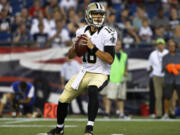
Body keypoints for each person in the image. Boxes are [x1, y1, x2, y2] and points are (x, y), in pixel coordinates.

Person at [45, 2, 117, 135]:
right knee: (62, 99)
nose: (98, 17)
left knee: (93, 89)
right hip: (84, 72)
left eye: (100, 15)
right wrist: (76, 47)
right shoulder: (81, 31)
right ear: (88, 16)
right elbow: (71, 55)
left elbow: (110, 59)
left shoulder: (109, 33)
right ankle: (59, 129)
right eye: (95, 14)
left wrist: (92, 47)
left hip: (100, 73)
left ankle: (89, 128)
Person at [100, 40, 128, 119]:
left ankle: (121, 114)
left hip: (121, 79)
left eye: (119, 44)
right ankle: (107, 113)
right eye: (116, 44)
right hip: (112, 78)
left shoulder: (124, 55)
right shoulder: (109, 54)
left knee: (121, 98)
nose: (118, 45)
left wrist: (126, 72)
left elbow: (125, 65)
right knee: (109, 97)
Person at [148, 38, 168, 118]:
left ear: (164, 45)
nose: (160, 45)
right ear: (156, 45)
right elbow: (149, 66)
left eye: (162, 44)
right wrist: (150, 72)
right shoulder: (153, 54)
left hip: (166, 76)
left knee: (167, 95)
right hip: (156, 76)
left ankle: (166, 113)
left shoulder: (168, 52)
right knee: (158, 96)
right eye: (159, 44)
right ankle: (159, 114)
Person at [162, 39, 180, 119]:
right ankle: (166, 114)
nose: (172, 47)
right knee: (167, 97)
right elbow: (165, 67)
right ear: (168, 47)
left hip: (178, 80)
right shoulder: (165, 57)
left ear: (175, 47)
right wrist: (174, 68)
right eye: (170, 46)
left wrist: (173, 67)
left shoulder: (179, 56)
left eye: (173, 46)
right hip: (168, 80)